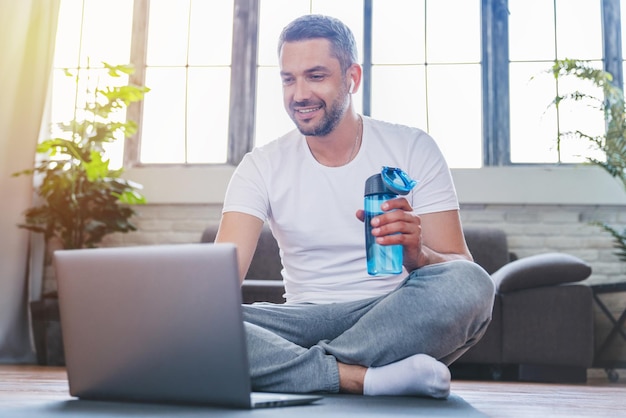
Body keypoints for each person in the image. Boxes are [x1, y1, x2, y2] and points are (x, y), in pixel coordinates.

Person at [215, 14, 494, 399]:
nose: (299, 95)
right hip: (300, 320)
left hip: (390, 314)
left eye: (315, 76)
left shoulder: (412, 147)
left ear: (352, 78)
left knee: (473, 284)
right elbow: (218, 284)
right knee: (186, 323)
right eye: (288, 78)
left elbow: (460, 268)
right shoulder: (260, 165)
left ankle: (291, 368)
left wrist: (420, 256)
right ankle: (359, 377)